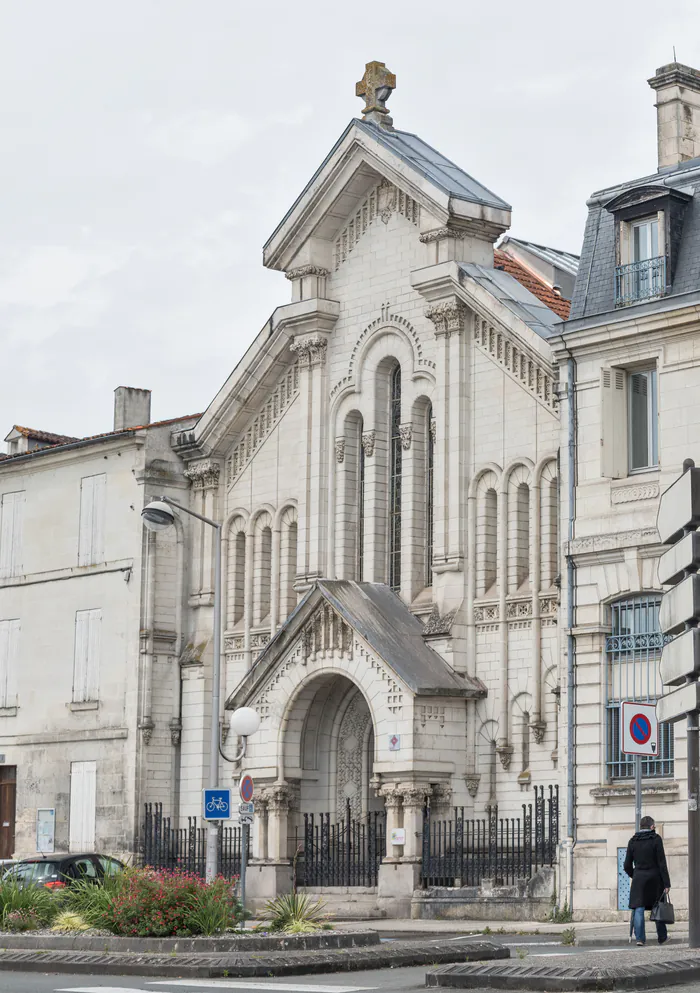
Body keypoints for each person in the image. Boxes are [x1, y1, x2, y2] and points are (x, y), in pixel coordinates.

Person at [624, 815, 671, 946]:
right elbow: (662, 863)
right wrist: (667, 883)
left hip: (639, 879)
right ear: (651, 826)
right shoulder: (656, 839)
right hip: (655, 878)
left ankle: (640, 939)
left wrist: (635, 875)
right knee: (658, 907)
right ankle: (662, 937)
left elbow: (627, 865)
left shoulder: (632, 841)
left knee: (638, 907)